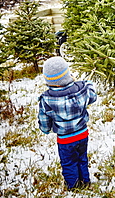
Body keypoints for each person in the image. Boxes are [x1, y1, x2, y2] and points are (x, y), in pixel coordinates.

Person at [38, 56, 97, 190]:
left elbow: (44, 120)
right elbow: (93, 95)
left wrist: (45, 129)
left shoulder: (46, 99)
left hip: (65, 139)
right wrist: (82, 82)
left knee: (69, 162)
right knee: (82, 157)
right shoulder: (81, 89)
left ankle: (73, 185)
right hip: (82, 134)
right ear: (68, 74)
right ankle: (85, 181)